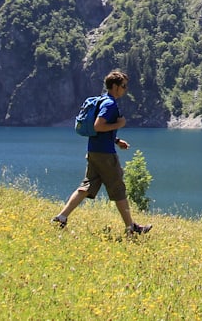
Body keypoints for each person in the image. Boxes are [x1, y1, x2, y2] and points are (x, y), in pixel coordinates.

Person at [52, 69, 151, 235]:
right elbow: (98, 126)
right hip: (105, 155)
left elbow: (99, 131)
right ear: (115, 86)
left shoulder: (102, 101)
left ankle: (61, 217)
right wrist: (119, 125)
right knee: (118, 189)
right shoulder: (110, 104)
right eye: (123, 86)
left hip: (94, 151)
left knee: (87, 187)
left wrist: (117, 140)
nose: (125, 89)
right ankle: (131, 228)